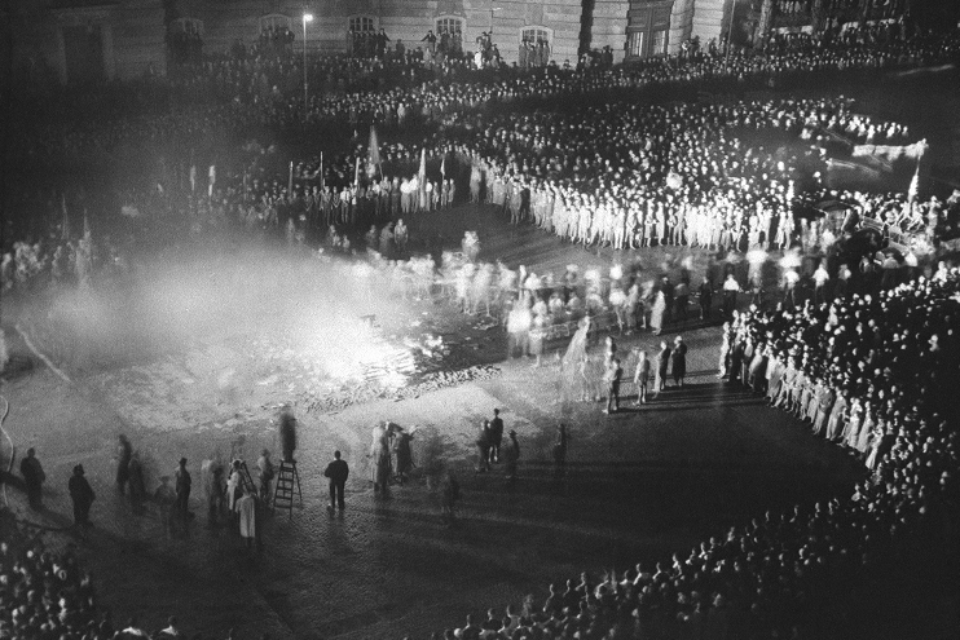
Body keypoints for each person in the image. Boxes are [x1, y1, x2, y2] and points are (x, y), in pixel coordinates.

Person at [68, 464, 96, 528]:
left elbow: (70, 488)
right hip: (82, 498)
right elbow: (88, 488)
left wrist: (73, 494)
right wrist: (92, 495)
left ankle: (78, 522)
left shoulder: (73, 479)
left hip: (77, 497)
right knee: (83, 510)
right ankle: (83, 522)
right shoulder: (82, 480)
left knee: (78, 509)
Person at [235, 486, 257, 551]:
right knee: (250, 529)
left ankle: (247, 545)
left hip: (244, 518)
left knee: (245, 530)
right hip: (252, 517)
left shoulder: (239, 501)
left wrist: (237, 521)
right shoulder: (253, 499)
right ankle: (249, 544)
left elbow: (237, 512)